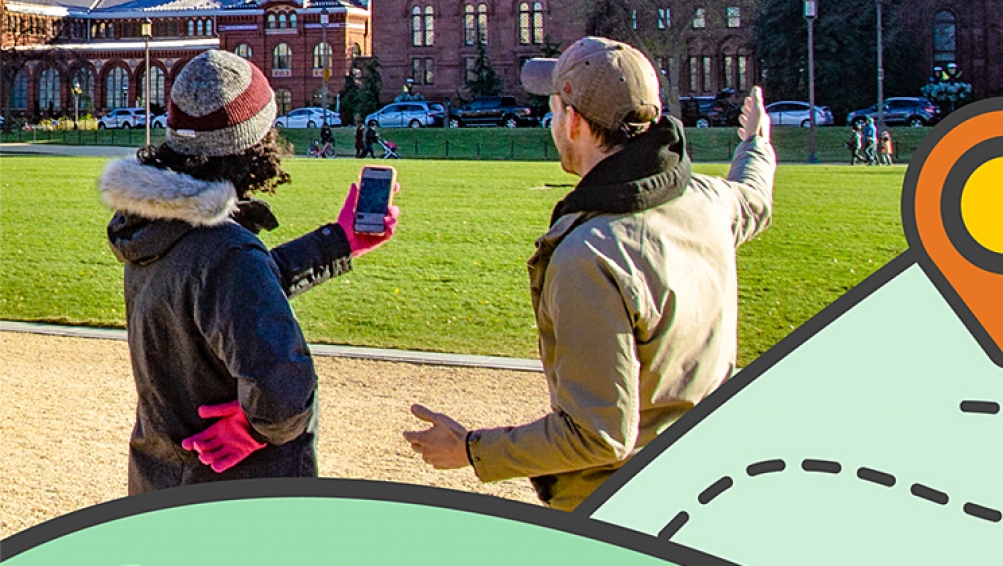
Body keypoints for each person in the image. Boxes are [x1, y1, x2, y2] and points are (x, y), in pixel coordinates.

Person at [402, 36, 775, 512]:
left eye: (554, 107)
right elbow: (752, 197)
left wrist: (470, 449)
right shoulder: (705, 200)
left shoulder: (590, 255)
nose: (551, 120)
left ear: (573, 121)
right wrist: (756, 144)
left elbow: (599, 437)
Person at [99, 50, 399, 494]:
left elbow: (229, 294)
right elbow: (283, 395)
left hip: (161, 479)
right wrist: (259, 427)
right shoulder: (223, 250)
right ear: (256, 143)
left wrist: (339, 243)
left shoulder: (156, 225)